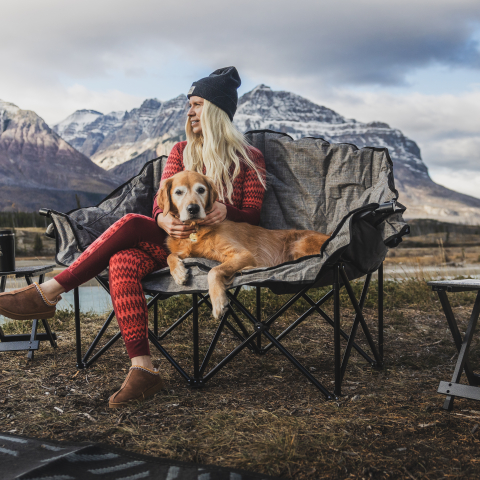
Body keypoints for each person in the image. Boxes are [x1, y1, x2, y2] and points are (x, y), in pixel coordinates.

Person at [0, 67, 266, 408]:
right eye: (189, 103)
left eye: (198, 104)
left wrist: (227, 212)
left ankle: (50, 292)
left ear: (217, 110)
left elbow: (254, 215)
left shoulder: (248, 158)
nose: (189, 111)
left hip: (219, 248)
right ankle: (143, 368)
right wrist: (164, 221)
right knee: (125, 248)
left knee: (125, 240)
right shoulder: (181, 151)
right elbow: (159, 205)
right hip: (174, 245)